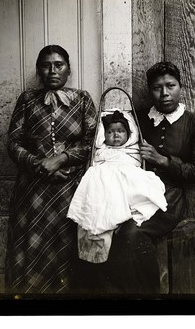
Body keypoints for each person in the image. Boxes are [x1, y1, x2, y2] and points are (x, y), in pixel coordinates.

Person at [80, 61, 195, 294]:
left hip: (167, 199)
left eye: (171, 86)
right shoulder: (137, 120)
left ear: (180, 87)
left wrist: (164, 161)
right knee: (102, 229)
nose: (164, 93)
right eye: (157, 88)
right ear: (150, 91)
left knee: (132, 234)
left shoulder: (194, 123)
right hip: (128, 193)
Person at [5, 45, 97, 294]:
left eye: (59, 65)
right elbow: (13, 143)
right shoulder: (27, 100)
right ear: (39, 71)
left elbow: (92, 143)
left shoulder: (82, 99)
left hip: (70, 190)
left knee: (66, 252)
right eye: (46, 65)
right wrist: (40, 165)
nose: (52, 70)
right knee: (32, 253)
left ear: (69, 70)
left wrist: (61, 159)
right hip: (33, 191)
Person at [67, 110, 168, 264]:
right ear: (103, 135)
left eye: (120, 131)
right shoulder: (102, 150)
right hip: (104, 180)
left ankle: (127, 211)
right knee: (98, 194)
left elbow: (136, 166)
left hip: (127, 177)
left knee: (140, 187)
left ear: (129, 134)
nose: (115, 135)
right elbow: (96, 163)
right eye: (110, 132)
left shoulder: (133, 149)